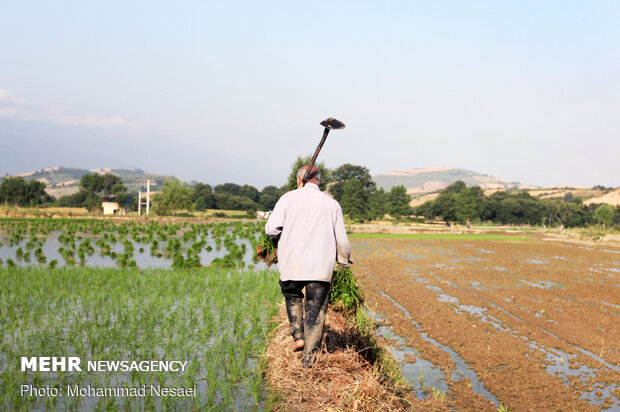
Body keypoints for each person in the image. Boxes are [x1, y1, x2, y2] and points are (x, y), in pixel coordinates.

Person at [265, 165, 351, 368]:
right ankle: (309, 360)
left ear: (299, 180)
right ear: (318, 181)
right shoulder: (331, 204)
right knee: (315, 311)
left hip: (292, 263)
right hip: (320, 267)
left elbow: (271, 229)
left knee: (293, 296)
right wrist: (343, 261)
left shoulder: (287, 198)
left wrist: (280, 237)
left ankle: (298, 336)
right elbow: (342, 240)